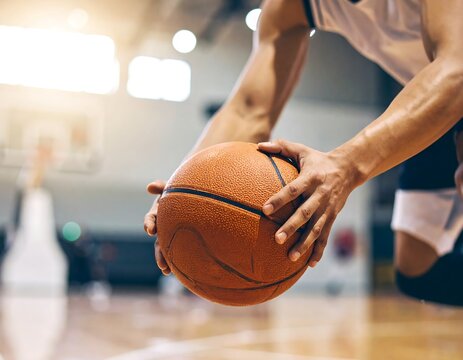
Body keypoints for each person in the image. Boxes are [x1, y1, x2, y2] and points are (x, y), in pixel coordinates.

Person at [144, 0, 463, 305]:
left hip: (449, 84)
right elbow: (250, 109)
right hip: (434, 98)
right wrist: (183, 191)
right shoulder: (289, 6)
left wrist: (346, 165)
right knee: (419, 271)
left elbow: (456, 68)